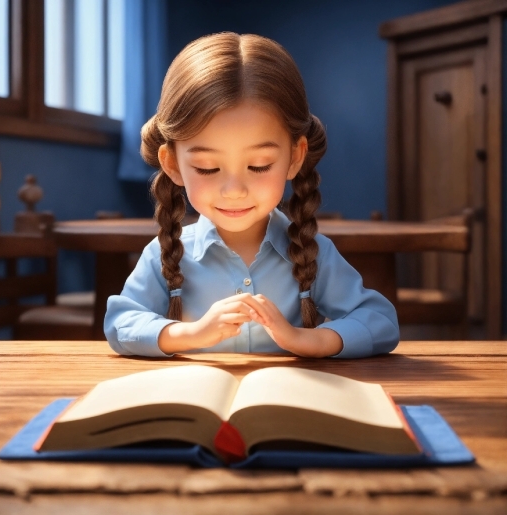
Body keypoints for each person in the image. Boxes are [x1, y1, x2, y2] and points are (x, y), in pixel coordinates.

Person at [104, 32, 399, 358]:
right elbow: (120, 324)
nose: (234, 191)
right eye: (206, 168)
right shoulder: (166, 254)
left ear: (295, 157)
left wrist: (304, 340)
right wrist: (191, 333)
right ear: (172, 164)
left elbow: (380, 322)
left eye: (259, 166)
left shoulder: (313, 254)